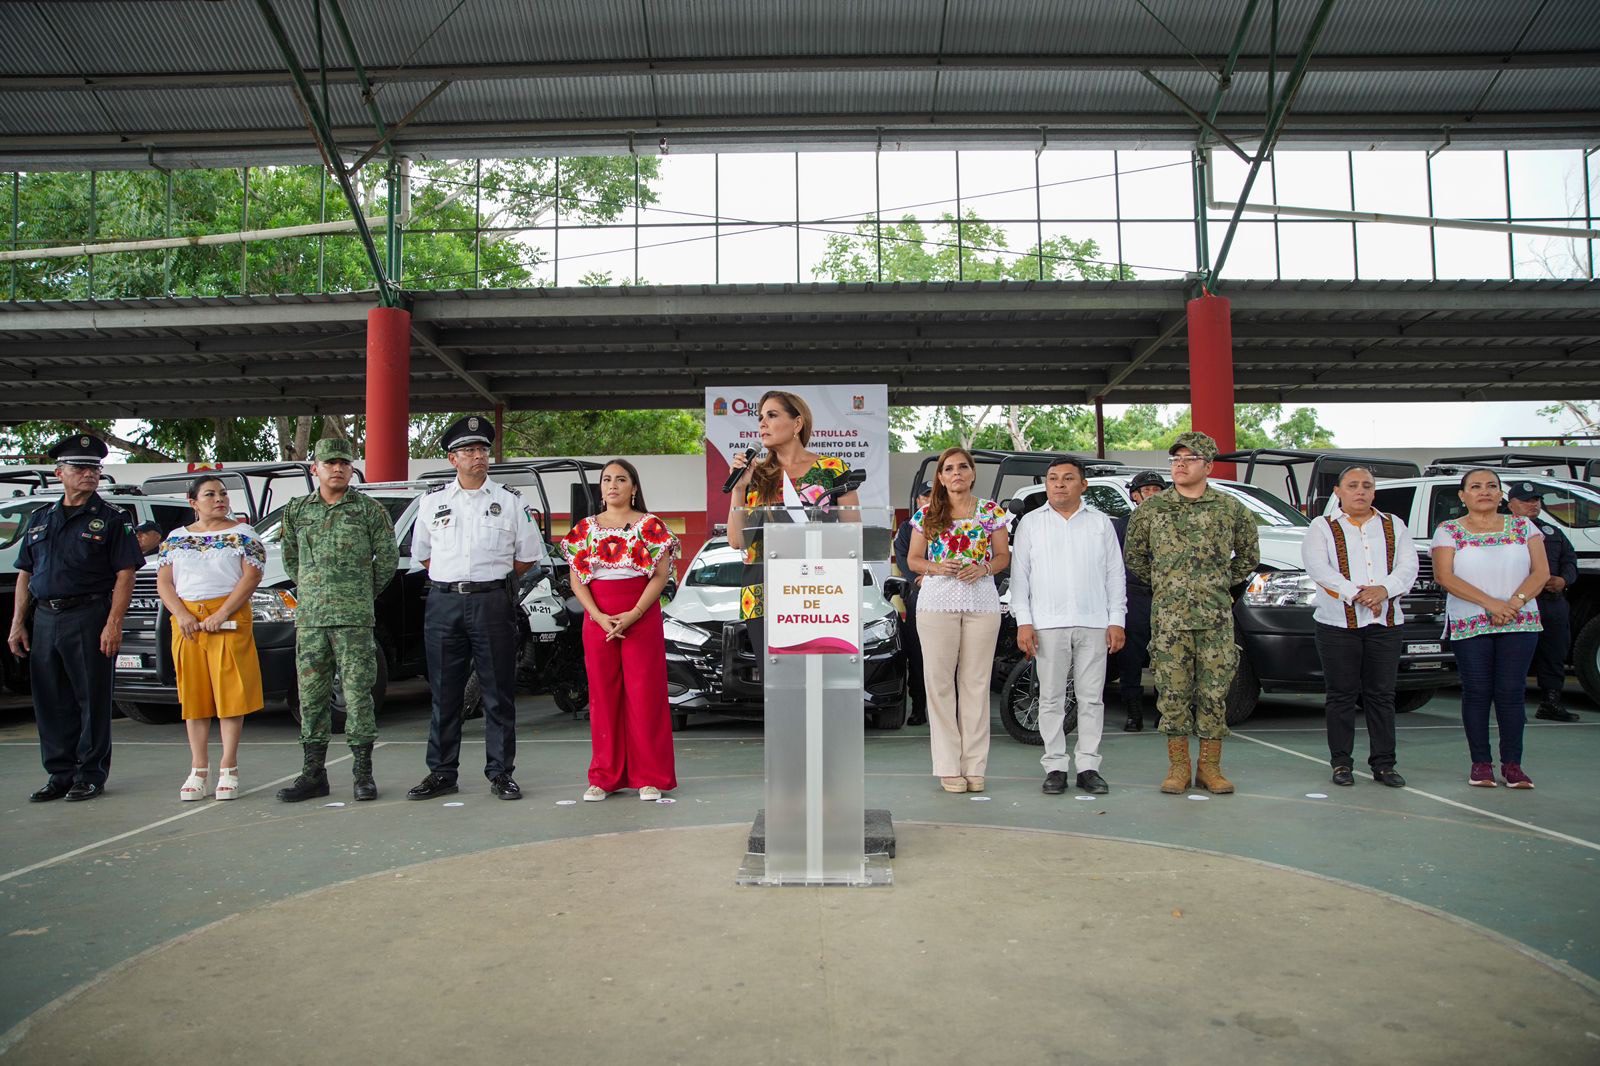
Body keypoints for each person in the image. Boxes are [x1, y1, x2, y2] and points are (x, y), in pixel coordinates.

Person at [407, 416, 546, 802]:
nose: (478, 457)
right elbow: (423, 556)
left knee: (498, 691)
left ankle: (501, 772)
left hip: (492, 603)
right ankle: (441, 772)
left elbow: (526, 558)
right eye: (469, 451)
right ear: (453, 459)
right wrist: (456, 582)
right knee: (444, 691)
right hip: (444, 602)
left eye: (482, 450)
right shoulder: (432, 502)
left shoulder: (510, 502)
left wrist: (488, 582)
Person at [8, 433, 143, 802]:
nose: (89, 474)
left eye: (94, 468)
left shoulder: (112, 519)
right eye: (80, 467)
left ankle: (90, 774)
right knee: (50, 700)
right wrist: (17, 623)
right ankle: (60, 774)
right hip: (46, 618)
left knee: (92, 699)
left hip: (89, 615)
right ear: (59, 473)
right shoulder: (40, 518)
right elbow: (25, 572)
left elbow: (125, 572)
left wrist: (113, 622)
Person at [1124, 431, 1259, 796]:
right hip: (1169, 621)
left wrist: (1217, 584)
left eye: (1188, 459)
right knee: (1172, 693)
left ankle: (1210, 767)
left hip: (1215, 619)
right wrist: (1168, 584)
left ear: (1208, 466)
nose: (1180, 465)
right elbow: (1135, 559)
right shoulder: (1152, 510)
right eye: (1175, 460)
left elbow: (1248, 556)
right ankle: (1178, 766)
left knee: (1215, 693)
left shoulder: (1230, 509)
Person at [276, 439, 399, 803]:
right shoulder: (297, 511)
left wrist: (359, 593)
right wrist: (314, 590)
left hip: (354, 620)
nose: (338, 468)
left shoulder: (368, 510)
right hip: (311, 620)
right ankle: (313, 775)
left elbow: (388, 559)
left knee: (359, 696)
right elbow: (291, 560)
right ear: (315, 468)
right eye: (330, 462)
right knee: (311, 699)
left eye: (344, 462)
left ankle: (363, 774)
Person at [561, 459, 680, 801]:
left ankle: (649, 776)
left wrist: (635, 613)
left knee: (645, 694)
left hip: (640, 614)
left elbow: (660, 575)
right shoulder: (584, 529)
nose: (612, 484)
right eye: (607, 479)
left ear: (634, 487)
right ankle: (605, 776)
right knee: (603, 695)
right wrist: (599, 616)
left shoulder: (651, 526)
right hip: (598, 616)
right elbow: (576, 579)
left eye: (621, 479)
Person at [1011, 457, 1125, 796]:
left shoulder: (1101, 523)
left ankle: (1089, 765)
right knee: (1050, 698)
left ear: (1083, 485)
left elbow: (1114, 576)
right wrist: (1024, 623)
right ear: (1046, 484)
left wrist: (1116, 620)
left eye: (1068, 478)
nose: (1060, 484)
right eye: (1053, 478)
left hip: (1094, 622)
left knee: (1091, 699)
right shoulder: (1031, 523)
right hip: (1046, 624)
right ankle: (1055, 765)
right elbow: (1020, 579)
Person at [1301, 466, 1418, 788]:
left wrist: (1383, 590)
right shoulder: (1321, 527)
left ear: (1374, 491)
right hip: (1337, 623)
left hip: (1385, 622)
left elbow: (1409, 566)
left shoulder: (1394, 525)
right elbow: (1319, 569)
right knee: (1341, 695)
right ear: (1338, 491)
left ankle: (1384, 764)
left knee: (1381, 695)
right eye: (1352, 485)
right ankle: (1341, 763)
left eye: (1367, 485)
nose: (1360, 491)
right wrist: (1360, 595)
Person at [1432, 468, 1549, 788]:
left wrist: (1514, 602)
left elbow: (1541, 573)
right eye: (1475, 486)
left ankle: (1513, 765)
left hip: (1519, 622)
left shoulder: (1524, 526)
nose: (1484, 491)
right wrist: (1493, 604)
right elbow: (1445, 577)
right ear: (1462, 495)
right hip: (1471, 624)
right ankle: (1480, 764)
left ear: (1501, 494)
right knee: (1477, 692)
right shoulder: (1448, 530)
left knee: (1511, 693)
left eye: (1491, 486)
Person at [155, 475, 267, 801]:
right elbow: (165, 582)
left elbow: (252, 576)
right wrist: (182, 614)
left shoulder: (243, 534)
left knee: (230, 692)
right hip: (188, 622)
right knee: (195, 696)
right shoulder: (176, 538)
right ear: (193, 502)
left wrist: (223, 613)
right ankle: (198, 768)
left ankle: (228, 767)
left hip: (228, 616)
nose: (219, 499)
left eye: (222, 493)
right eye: (209, 494)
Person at [906, 447, 1010, 793]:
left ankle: (975, 765)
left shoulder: (990, 512)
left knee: (976, 685)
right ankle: (949, 766)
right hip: (936, 604)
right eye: (948, 468)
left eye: (962, 467)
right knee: (939, 685)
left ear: (972, 473)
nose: (956, 473)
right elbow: (914, 560)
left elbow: (1002, 557)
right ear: (940, 476)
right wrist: (938, 567)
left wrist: (983, 567)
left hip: (981, 603)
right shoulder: (927, 514)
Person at [725, 390, 858, 637]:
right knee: (773, 674)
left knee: (818, 673)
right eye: (760, 417)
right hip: (762, 592)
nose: (762, 423)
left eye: (772, 415)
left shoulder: (833, 469)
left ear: (797, 423)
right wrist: (740, 488)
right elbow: (736, 540)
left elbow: (854, 536)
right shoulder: (756, 475)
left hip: (818, 592)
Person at [1507, 482, 1580, 722]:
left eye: (1536, 500)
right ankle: (1509, 705)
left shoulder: (1551, 531)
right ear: (1510, 505)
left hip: (1551, 602)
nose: (1533, 504)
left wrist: (1563, 580)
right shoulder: (1503, 531)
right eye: (1527, 500)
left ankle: (1550, 702)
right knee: (1514, 655)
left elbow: (1570, 559)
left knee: (1555, 652)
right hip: (1519, 602)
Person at [1111, 470, 1166, 732]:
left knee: (1167, 656)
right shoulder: (1122, 525)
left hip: (1165, 598)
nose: (1153, 495)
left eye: (1158, 490)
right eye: (1147, 491)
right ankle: (1133, 712)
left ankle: (1164, 711)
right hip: (1132, 596)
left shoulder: (1174, 525)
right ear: (1135, 495)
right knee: (1130, 657)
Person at [892, 481, 933, 726]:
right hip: (919, 594)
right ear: (918, 500)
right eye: (925, 496)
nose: (929, 500)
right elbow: (905, 559)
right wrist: (922, 579)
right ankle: (918, 707)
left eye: (934, 495)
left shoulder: (953, 522)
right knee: (917, 656)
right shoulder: (908, 527)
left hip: (949, 595)